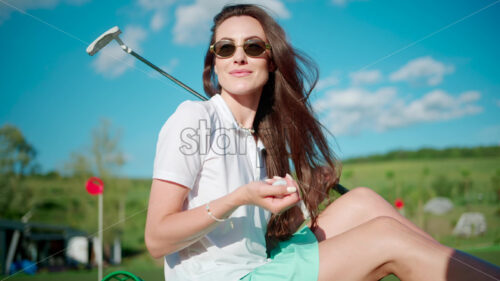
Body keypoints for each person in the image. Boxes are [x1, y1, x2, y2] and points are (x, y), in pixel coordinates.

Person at [145, 4, 500, 281]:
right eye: (226, 48)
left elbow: (244, 244)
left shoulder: (256, 141)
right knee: (387, 237)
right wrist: (240, 197)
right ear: (215, 63)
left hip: (259, 264)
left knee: (362, 202)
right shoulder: (193, 118)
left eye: (252, 46)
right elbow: (157, 239)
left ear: (271, 61)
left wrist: (301, 197)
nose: (239, 56)